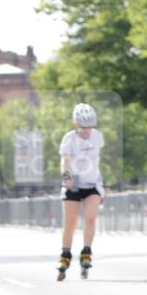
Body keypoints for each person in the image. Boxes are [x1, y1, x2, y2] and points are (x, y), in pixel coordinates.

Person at [56, 103, 105, 280]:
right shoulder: (68, 138)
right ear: (76, 123)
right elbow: (65, 160)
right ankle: (66, 254)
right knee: (70, 222)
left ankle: (86, 251)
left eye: (90, 126)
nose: (86, 130)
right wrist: (66, 175)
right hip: (73, 185)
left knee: (90, 218)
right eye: (83, 127)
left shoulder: (98, 137)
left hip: (92, 183)